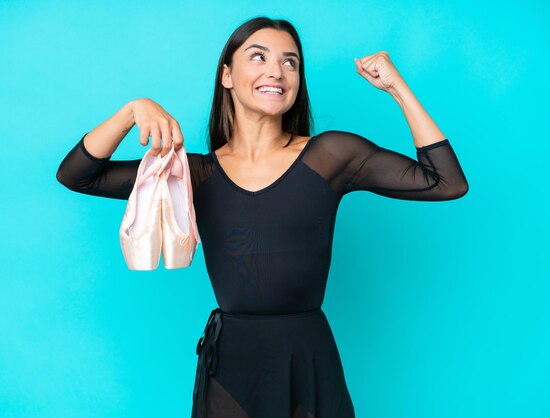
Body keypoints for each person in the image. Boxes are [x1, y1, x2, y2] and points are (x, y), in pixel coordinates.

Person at [56, 16, 468, 418]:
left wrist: (397, 88)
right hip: (231, 368)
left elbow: (446, 182)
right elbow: (77, 176)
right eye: (259, 57)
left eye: (291, 62)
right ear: (227, 75)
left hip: (307, 361)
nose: (278, 71)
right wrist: (132, 110)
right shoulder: (194, 173)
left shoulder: (330, 156)